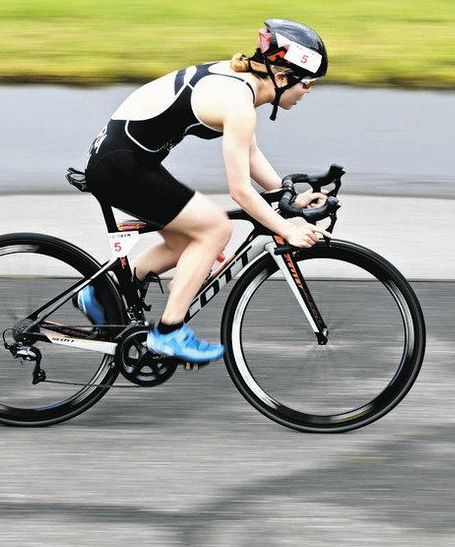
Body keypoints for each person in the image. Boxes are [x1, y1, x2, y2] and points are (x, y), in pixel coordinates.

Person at [77, 18, 331, 362]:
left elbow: (250, 154)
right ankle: (169, 333)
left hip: (125, 160)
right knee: (215, 228)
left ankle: (103, 294)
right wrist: (288, 230)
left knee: (187, 241)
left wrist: (288, 196)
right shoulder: (239, 103)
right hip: (121, 166)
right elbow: (240, 192)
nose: (308, 93)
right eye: (308, 84)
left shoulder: (242, 84)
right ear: (283, 77)